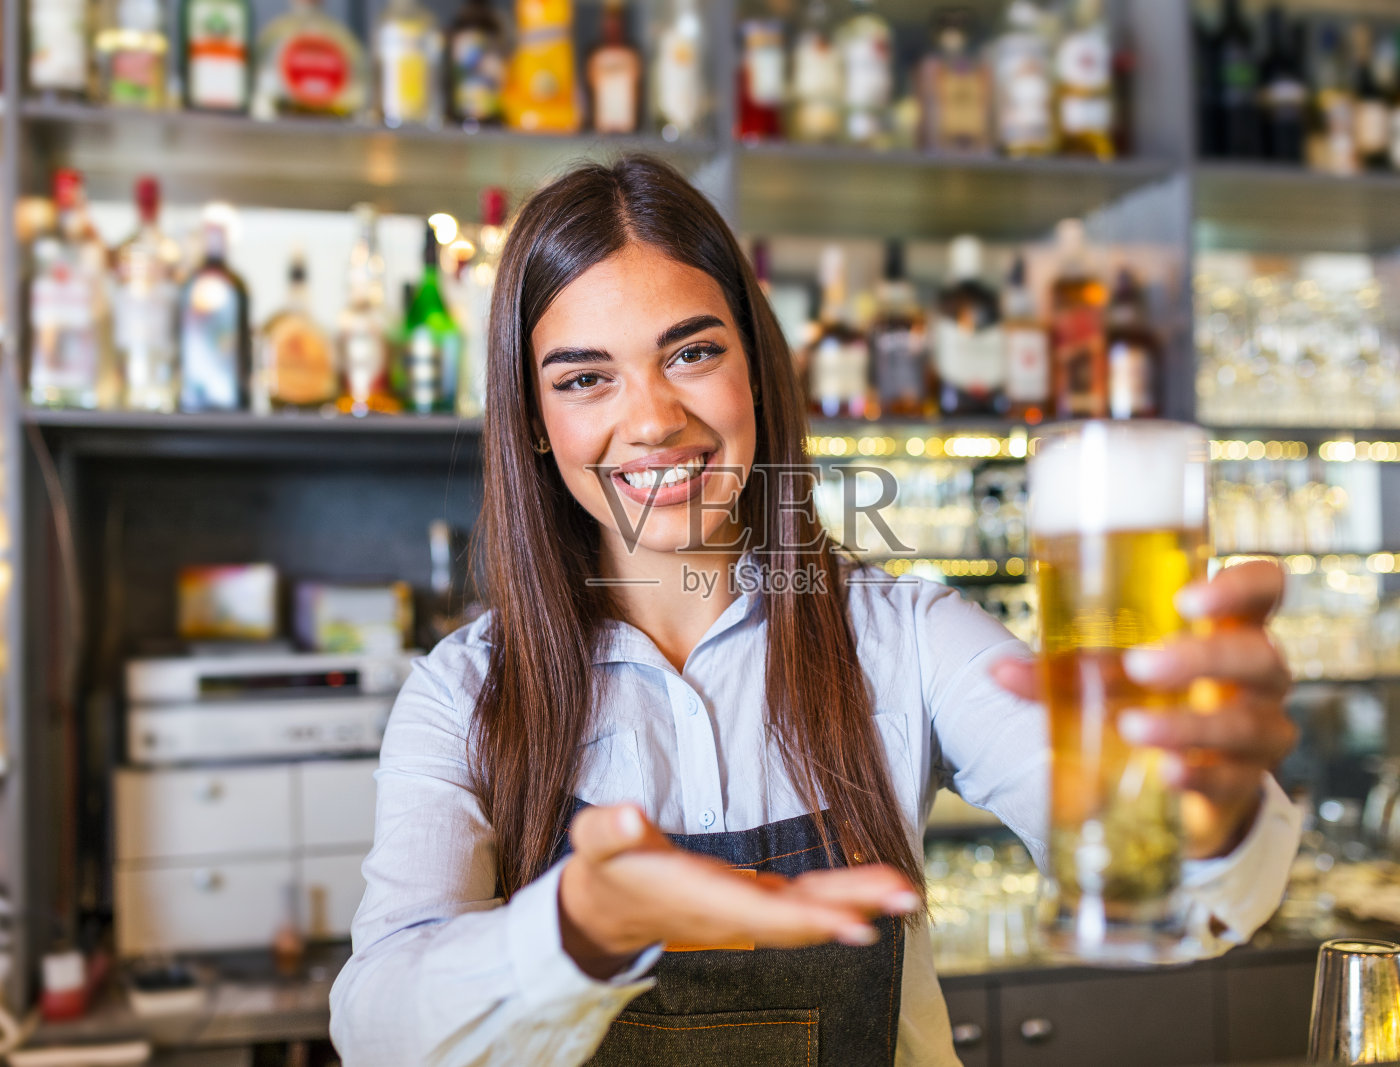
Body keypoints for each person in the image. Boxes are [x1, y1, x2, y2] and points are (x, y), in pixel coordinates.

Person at [328, 156, 1300, 1066]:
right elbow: (377, 1026)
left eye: (692, 351)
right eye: (585, 378)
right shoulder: (465, 688)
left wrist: (1201, 817)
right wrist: (580, 925)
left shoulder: (906, 634)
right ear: (537, 428)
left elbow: (1171, 876)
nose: (654, 417)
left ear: (757, 368)